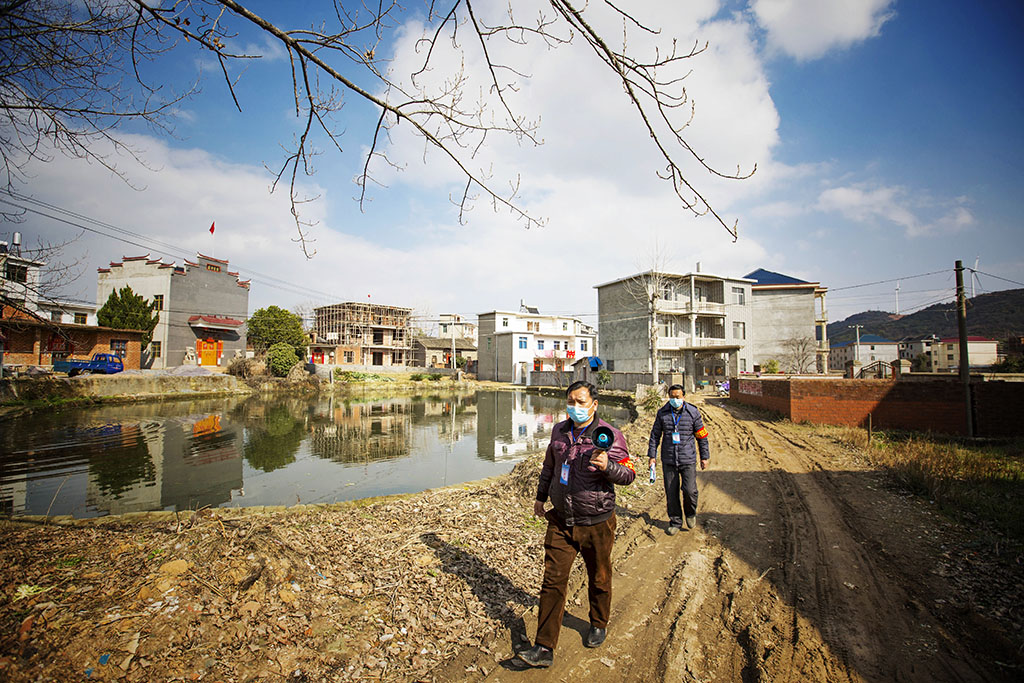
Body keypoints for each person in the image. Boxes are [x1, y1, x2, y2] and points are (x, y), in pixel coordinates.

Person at [516, 381, 636, 668]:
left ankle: (598, 623)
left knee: (600, 576)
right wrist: (540, 497)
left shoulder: (609, 435)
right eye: (571, 401)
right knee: (553, 581)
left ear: (594, 404)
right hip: (561, 520)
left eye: (581, 402)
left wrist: (608, 466)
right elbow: (549, 466)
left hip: (597, 521)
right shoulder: (559, 431)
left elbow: (629, 475)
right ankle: (544, 647)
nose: (575, 407)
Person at [648, 384, 710, 534]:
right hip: (668, 459)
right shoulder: (662, 413)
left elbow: (702, 437)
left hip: (687, 459)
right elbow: (655, 436)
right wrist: (652, 456)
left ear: (683, 396)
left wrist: (704, 457)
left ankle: (690, 513)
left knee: (690, 491)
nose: (674, 400)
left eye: (677, 397)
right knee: (671, 493)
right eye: (672, 397)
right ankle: (675, 522)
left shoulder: (693, 413)